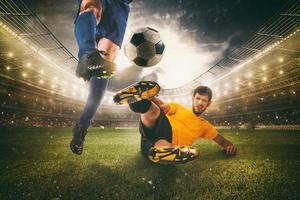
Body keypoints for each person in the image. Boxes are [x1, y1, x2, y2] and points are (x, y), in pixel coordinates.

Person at [113, 81, 237, 164]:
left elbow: (222, 141)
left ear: (208, 104)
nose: (200, 103)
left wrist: (229, 146)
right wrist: (149, 95)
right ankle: (136, 98)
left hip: (154, 146)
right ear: (193, 98)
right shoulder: (179, 108)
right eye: (198, 98)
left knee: (163, 144)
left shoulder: (205, 126)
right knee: (154, 111)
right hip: (160, 126)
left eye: (204, 100)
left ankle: (162, 152)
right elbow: (163, 106)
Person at [70, 0, 131, 155]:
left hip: (120, 4)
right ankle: (87, 54)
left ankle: (81, 127)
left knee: (106, 58)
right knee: (92, 7)